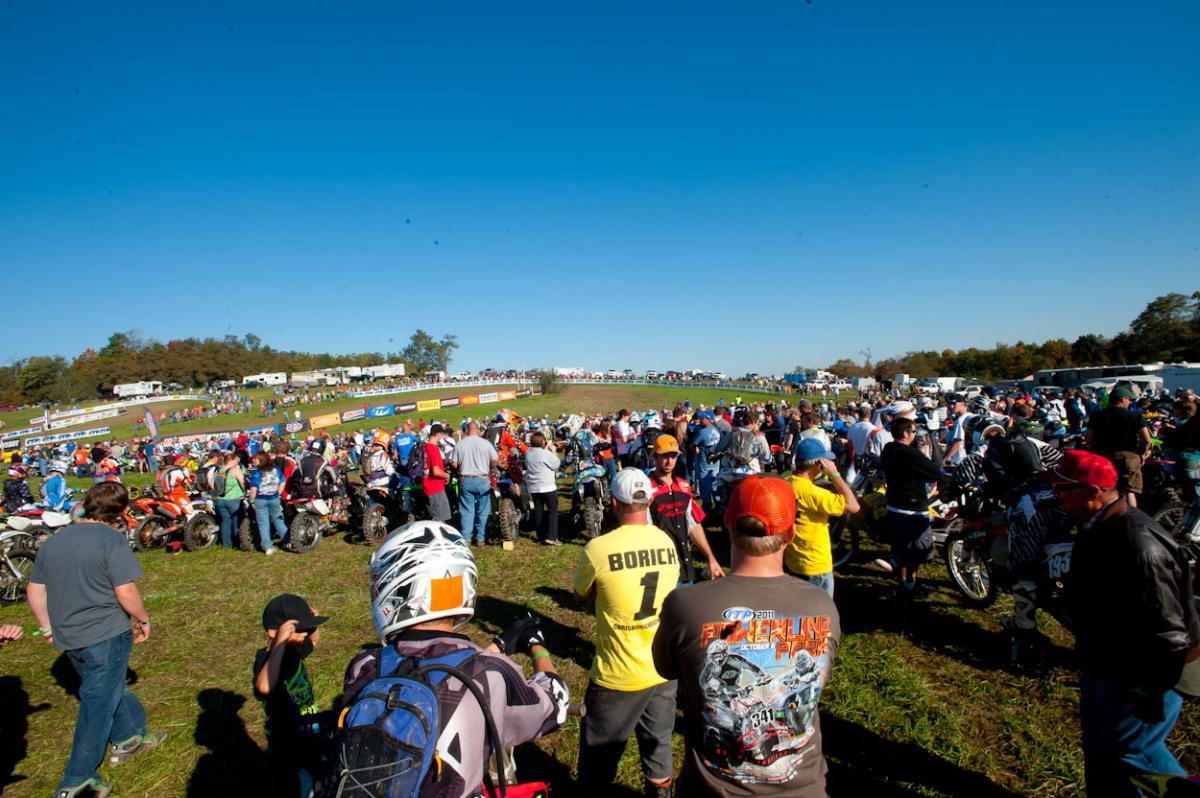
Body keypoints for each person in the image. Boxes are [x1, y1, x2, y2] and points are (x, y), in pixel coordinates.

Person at [338, 520, 569, 798]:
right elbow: (556, 705)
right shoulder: (490, 674)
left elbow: (427, 665)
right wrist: (537, 647)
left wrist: (498, 646)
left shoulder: (364, 666)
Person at [652, 475, 841, 797]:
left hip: (711, 790)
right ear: (791, 533)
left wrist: (760, 678)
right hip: (807, 788)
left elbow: (666, 669)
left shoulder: (684, 604)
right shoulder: (823, 604)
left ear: (728, 523)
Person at [1052, 451, 1200, 797]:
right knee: (1102, 746)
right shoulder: (1099, 525)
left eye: (1062, 489)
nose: (1055, 496)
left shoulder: (1138, 543)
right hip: (1109, 661)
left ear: (1092, 492)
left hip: (1145, 672)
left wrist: (1149, 690)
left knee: (1133, 750)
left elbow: (1169, 633)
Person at [27, 482, 164, 798]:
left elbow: (35, 590)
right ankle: (77, 779)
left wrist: (47, 628)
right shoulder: (111, 540)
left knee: (107, 686)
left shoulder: (55, 540)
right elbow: (125, 591)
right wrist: (143, 619)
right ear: (121, 511)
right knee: (98, 702)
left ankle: (129, 737)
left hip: (69, 635)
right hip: (105, 632)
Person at [572, 469, 680, 797]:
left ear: (615, 503)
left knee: (597, 765)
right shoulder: (665, 541)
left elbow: (580, 593)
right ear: (648, 501)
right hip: (661, 667)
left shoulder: (598, 548)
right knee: (659, 751)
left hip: (617, 674)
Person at [254, 593, 332, 796]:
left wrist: (313, 626)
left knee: (322, 772)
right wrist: (279, 643)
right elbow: (264, 687)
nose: (304, 635)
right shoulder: (267, 660)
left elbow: (313, 642)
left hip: (310, 728)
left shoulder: (294, 648)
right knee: (298, 785)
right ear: (274, 632)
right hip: (286, 741)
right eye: (298, 631)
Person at [785, 438, 860, 598]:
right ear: (817, 465)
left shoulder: (786, 481)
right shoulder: (814, 493)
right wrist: (835, 475)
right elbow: (853, 506)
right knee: (820, 610)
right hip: (815, 563)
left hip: (793, 558)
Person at [646, 433, 723, 584]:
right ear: (655, 457)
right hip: (659, 568)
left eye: (673, 456)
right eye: (665, 456)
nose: (669, 461)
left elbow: (693, 526)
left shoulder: (684, 486)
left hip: (685, 566)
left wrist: (710, 558)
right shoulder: (646, 487)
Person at [880, 417, 944, 598]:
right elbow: (935, 472)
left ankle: (902, 580)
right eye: (914, 432)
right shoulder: (911, 454)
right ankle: (910, 584)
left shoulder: (888, 448)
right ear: (905, 433)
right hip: (913, 508)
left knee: (899, 548)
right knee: (915, 552)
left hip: (894, 504)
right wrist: (923, 453)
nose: (915, 435)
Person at [1085, 386, 1152, 508]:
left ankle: (1107, 516)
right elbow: (1147, 439)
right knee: (1129, 491)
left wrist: (1097, 449)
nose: (1130, 402)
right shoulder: (1135, 416)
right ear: (1122, 399)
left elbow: (1088, 438)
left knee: (1106, 490)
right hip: (1128, 457)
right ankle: (1131, 516)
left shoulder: (1097, 416)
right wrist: (1142, 453)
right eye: (1129, 399)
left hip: (1104, 458)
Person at [453, 421, 500, 546]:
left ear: (467, 430)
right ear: (478, 430)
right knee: (483, 510)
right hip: (482, 478)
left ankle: (466, 537)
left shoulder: (459, 444)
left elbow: (454, 464)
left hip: (466, 479)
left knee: (467, 510)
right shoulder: (485, 443)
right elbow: (495, 459)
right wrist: (489, 467)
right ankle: (480, 538)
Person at [524, 431, 562, 545]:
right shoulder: (545, 453)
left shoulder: (528, 454)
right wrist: (553, 451)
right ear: (543, 442)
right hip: (547, 486)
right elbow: (556, 464)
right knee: (552, 511)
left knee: (539, 511)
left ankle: (540, 535)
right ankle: (551, 536)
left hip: (534, 487)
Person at [248, 451, 288, 555]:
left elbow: (253, 489)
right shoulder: (276, 470)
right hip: (274, 498)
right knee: (278, 520)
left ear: (260, 460)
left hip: (260, 499)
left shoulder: (257, 473)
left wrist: (251, 501)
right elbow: (283, 481)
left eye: (255, 459)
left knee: (263, 523)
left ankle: (267, 547)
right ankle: (287, 540)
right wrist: (278, 493)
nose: (253, 460)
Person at [214, 451, 246, 549]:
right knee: (237, 521)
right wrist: (245, 492)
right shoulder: (235, 470)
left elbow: (213, 485)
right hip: (234, 499)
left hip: (221, 499)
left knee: (225, 521)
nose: (237, 462)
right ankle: (238, 543)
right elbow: (243, 482)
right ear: (231, 460)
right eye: (235, 460)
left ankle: (226, 544)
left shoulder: (218, 471)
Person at [423, 424, 453, 523]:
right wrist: (447, 475)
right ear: (438, 434)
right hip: (435, 487)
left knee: (436, 516)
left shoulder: (425, 447)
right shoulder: (433, 449)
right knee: (440, 519)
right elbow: (436, 471)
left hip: (427, 485)